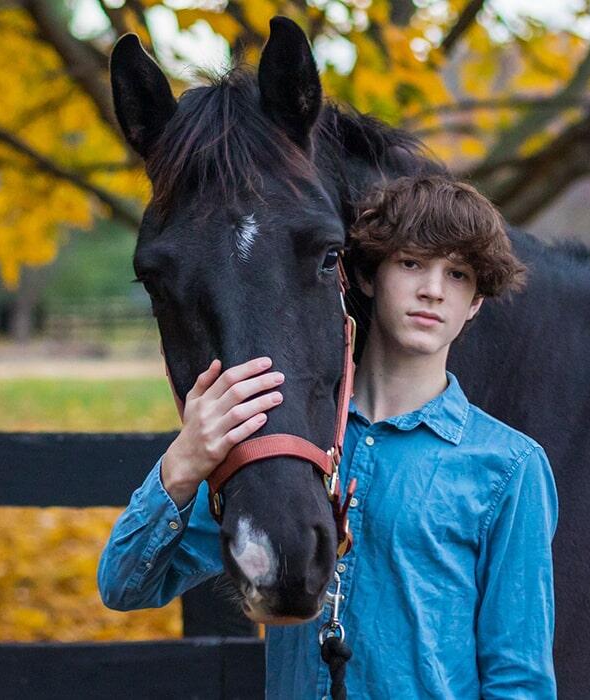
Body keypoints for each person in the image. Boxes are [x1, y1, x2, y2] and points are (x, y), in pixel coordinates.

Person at [97, 174, 558, 698]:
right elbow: (126, 585)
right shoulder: (285, 450)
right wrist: (181, 465)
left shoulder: (507, 467)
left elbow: (520, 680)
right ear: (365, 276)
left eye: (457, 275)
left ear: (475, 302)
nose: (433, 290)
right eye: (411, 263)